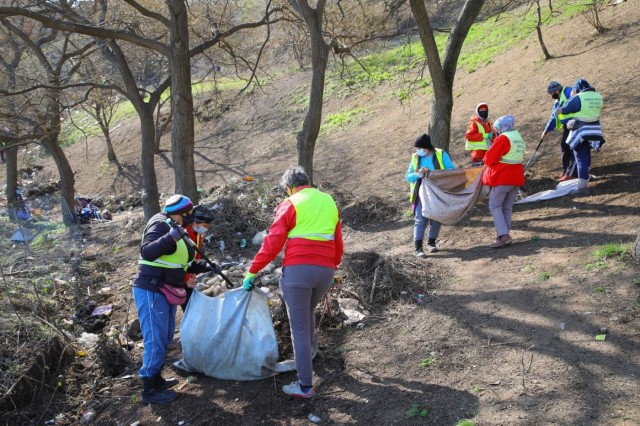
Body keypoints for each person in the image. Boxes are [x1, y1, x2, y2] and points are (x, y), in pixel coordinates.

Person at [242, 166, 343, 399]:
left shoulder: (291, 203)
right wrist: (332, 266)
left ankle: (305, 386)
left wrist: (252, 271)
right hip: (325, 271)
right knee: (306, 318)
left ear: (288, 187)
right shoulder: (328, 201)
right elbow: (337, 239)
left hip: (298, 272)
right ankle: (308, 360)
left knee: (298, 327)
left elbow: (273, 243)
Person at [133, 195, 221, 404]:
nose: (191, 219)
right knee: (155, 338)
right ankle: (149, 389)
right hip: (151, 289)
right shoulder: (161, 224)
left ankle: (157, 378)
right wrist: (172, 236)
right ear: (180, 213)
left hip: (166, 290)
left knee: (164, 337)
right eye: (188, 214)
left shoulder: (179, 229)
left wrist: (207, 267)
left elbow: (182, 264)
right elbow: (147, 251)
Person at [405, 134, 455, 257]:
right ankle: (418, 248)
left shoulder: (441, 154)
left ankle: (431, 243)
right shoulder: (416, 158)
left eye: (419, 148)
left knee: (437, 218)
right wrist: (419, 174)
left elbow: (451, 171)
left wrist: (433, 174)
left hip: (438, 192)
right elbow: (408, 177)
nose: (417, 151)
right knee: (420, 220)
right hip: (421, 194)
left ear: (426, 148)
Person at [482, 115, 525, 248]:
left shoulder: (504, 138)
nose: (496, 131)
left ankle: (503, 236)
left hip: (503, 177)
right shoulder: (517, 136)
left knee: (495, 206)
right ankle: (504, 234)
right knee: (507, 207)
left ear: (502, 127)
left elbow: (488, 159)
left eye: (497, 128)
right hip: (516, 178)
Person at [558, 78, 604, 196]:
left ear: (577, 89)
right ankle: (586, 176)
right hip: (595, 130)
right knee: (587, 153)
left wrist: (571, 97)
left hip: (581, 130)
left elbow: (565, 109)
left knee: (580, 158)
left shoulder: (579, 97)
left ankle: (582, 188)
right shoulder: (598, 96)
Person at [180, 205, 215, 312]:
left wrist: (194, 273)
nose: (205, 228)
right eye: (204, 225)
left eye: (207, 226)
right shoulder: (183, 233)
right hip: (179, 273)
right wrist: (186, 279)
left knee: (191, 303)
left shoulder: (198, 234)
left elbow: (197, 254)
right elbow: (180, 260)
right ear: (194, 222)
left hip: (189, 270)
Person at [541, 81, 576, 181]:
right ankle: (567, 171)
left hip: (576, 124)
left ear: (556, 91)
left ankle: (570, 172)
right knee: (565, 146)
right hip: (567, 126)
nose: (551, 95)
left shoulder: (569, 92)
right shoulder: (557, 101)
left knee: (569, 146)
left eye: (551, 93)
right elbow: (553, 116)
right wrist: (546, 130)